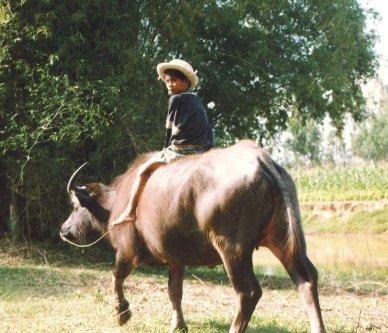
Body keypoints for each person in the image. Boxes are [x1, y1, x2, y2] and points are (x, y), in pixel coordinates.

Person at [113, 59, 214, 224]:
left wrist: (165, 150)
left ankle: (130, 211)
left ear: (185, 82)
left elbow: (171, 129)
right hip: (199, 151)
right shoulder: (196, 102)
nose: (169, 84)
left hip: (181, 151)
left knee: (143, 171)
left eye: (173, 80)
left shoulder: (176, 99)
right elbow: (209, 132)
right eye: (167, 81)